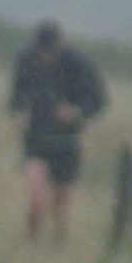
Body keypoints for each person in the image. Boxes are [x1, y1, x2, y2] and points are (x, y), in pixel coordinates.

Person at [8, 18, 107, 245]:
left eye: (50, 52)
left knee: (60, 204)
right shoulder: (26, 59)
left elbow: (98, 100)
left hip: (67, 141)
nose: (45, 57)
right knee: (36, 199)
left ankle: (58, 245)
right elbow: (16, 95)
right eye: (41, 52)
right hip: (35, 139)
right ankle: (31, 244)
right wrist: (17, 114)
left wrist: (76, 112)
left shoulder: (79, 64)